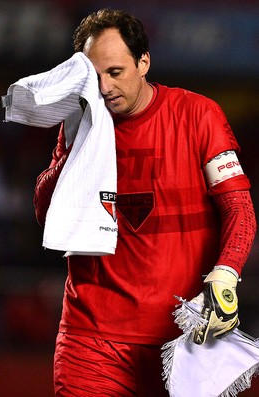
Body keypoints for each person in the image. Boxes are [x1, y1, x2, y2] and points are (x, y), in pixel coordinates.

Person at [33, 8, 257, 397]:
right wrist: (70, 153)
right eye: (94, 76)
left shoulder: (198, 116)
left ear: (143, 62)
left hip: (184, 343)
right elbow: (45, 214)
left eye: (115, 73)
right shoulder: (81, 124)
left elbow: (239, 208)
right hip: (90, 340)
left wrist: (226, 272)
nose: (103, 88)